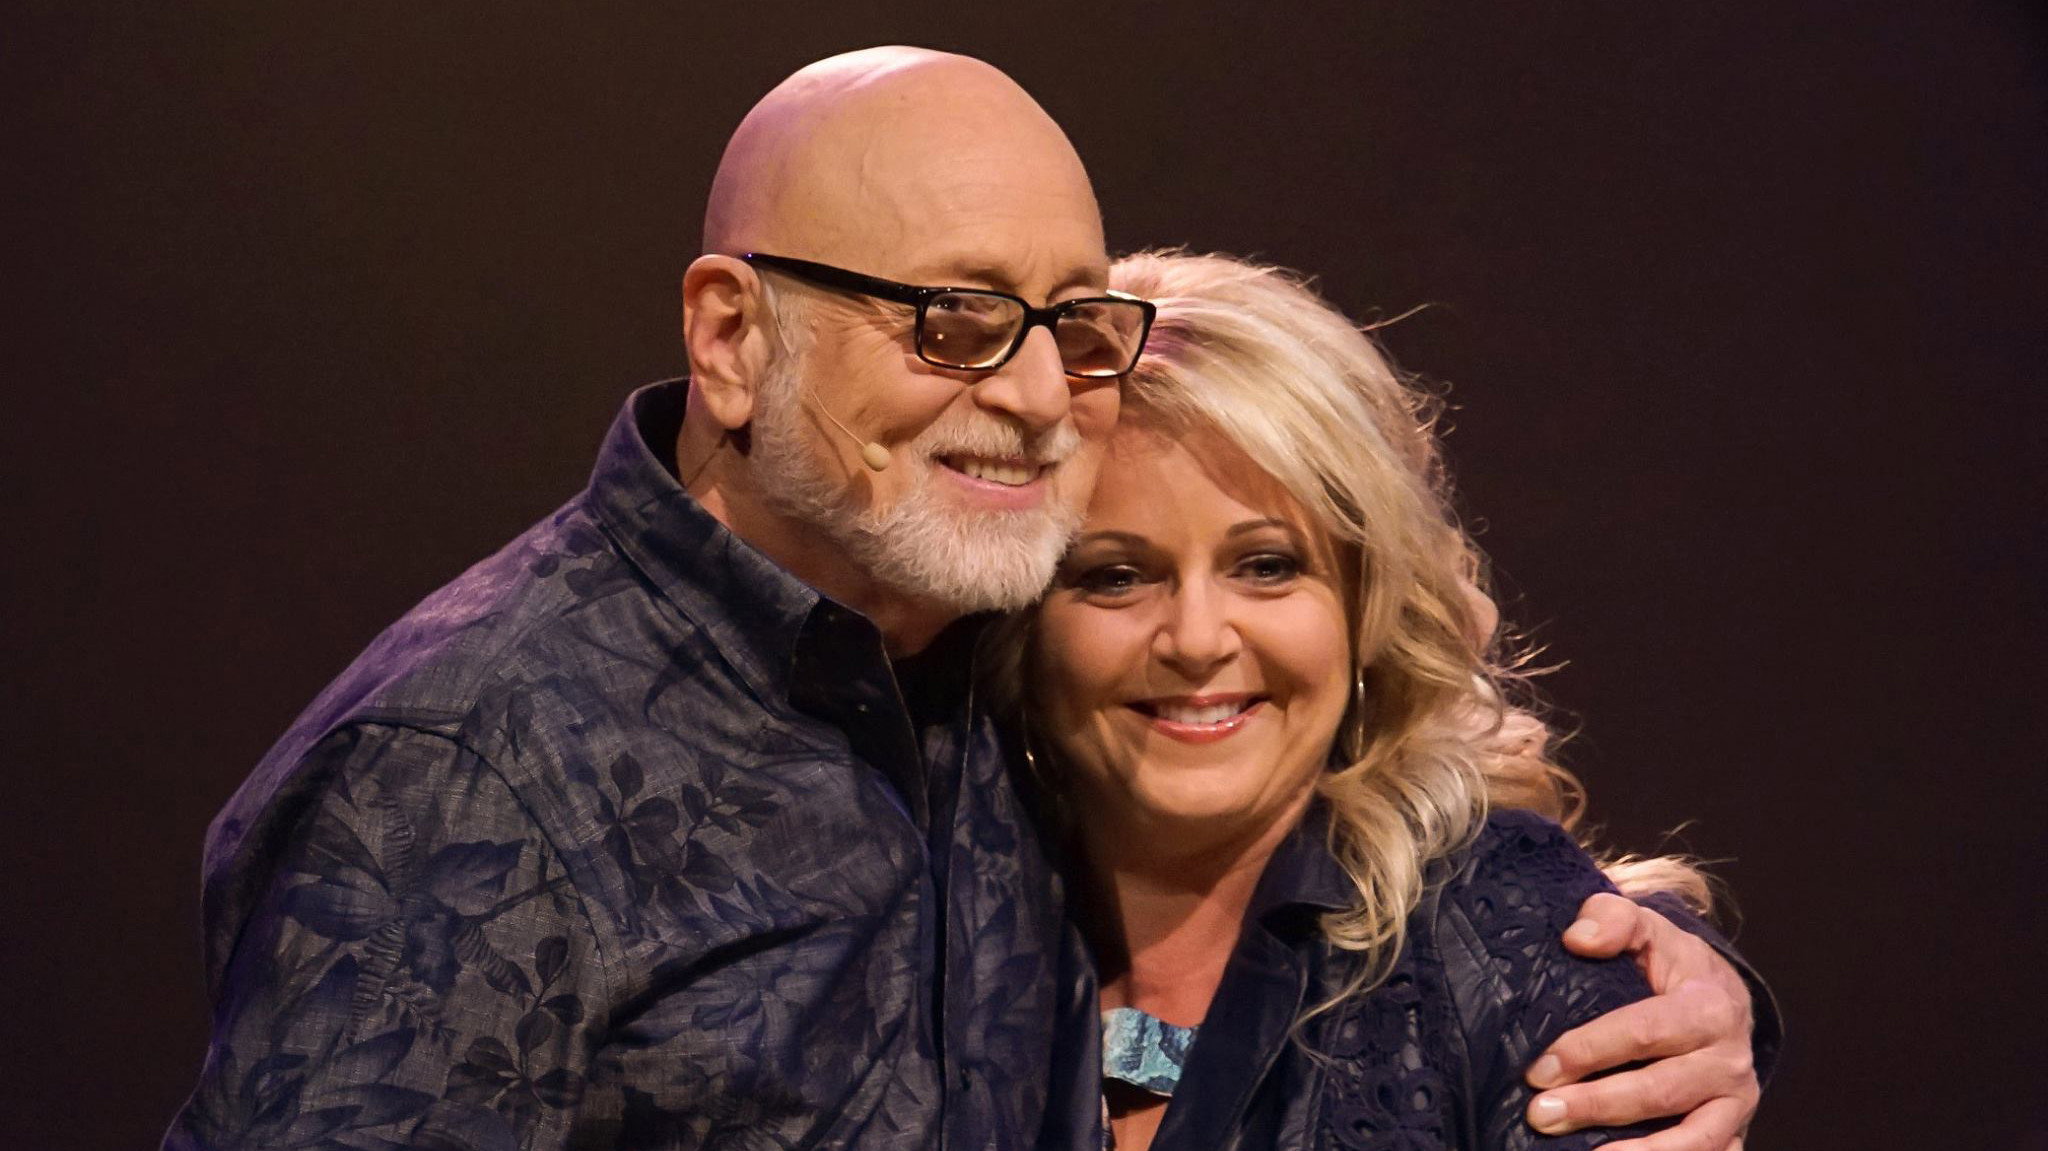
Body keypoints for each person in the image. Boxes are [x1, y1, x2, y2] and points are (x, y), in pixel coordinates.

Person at [162, 49, 1767, 1151]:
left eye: (1067, 322)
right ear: (730, 334)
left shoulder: (964, 637)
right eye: (951, 319)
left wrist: (1680, 980)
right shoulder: (463, 766)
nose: (1031, 394)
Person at [1002, 251, 1773, 1149]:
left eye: (1267, 565)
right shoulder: (936, 906)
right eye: (1116, 575)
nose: (1198, 638)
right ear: (1018, 622)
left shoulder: (1508, 939)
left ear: (1367, 605)